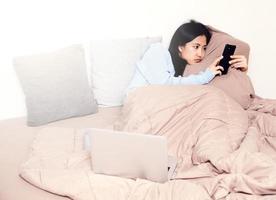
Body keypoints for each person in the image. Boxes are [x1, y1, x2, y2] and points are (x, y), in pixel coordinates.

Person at [127, 20, 248, 93]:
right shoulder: (157, 51)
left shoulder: (184, 72)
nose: (200, 54)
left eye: (204, 48)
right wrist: (206, 75)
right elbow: (163, 84)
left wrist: (240, 72)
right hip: (139, 102)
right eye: (196, 47)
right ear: (180, 46)